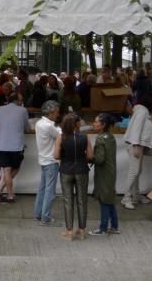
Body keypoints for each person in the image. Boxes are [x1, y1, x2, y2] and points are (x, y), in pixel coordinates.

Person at [55, 112, 93, 240]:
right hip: (82, 169)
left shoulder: (61, 137)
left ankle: (69, 231)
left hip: (66, 170)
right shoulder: (85, 137)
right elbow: (90, 156)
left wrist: (64, 156)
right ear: (76, 124)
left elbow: (55, 155)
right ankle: (81, 230)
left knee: (68, 200)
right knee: (82, 200)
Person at [0, 90, 28, 204]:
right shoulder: (23, 110)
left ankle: (0, 188)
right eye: (21, 100)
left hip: (2, 145)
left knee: (6, 170)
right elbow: (28, 128)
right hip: (16, 146)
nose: (22, 102)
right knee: (15, 168)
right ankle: (10, 196)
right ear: (16, 101)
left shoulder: (0, 109)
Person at [121, 93, 152, 210]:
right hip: (136, 145)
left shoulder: (141, 111)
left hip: (138, 145)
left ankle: (135, 195)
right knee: (134, 172)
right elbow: (136, 128)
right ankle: (126, 197)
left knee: (137, 171)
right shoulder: (142, 112)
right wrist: (136, 145)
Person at [89, 113, 119, 235]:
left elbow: (100, 159)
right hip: (111, 172)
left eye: (96, 122)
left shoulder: (100, 138)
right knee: (110, 199)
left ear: (103, 125)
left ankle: (103, 228)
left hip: (103, 173)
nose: (94, 124)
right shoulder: (111, 137)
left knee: (104, 200)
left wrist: (89, 157)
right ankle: (114, 226)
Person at [33, 101, 61, 225]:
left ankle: (38, 214)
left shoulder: (39, 123)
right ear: (50, 113)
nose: (57, 114)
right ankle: (46, 217)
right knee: (49, 190)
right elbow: (61, 135)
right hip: (51, 160)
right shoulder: (49, 126)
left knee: (43, 189)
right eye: (56, 112)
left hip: (43, 159)